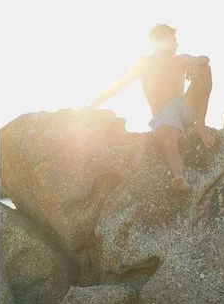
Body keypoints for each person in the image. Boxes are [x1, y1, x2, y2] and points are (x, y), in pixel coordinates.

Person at [84, 23, 215, 193]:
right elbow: (116, 86)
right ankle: (179, 177)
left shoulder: (181, 59)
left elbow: (205, 58)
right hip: (163, 115)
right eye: (174, 40)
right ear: (163, 41)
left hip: (183, 106)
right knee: (169, 144)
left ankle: (201, 126)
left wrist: (196, 62)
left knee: (205, 70)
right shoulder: (143, 63)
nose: (177, 44)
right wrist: (90, 107)